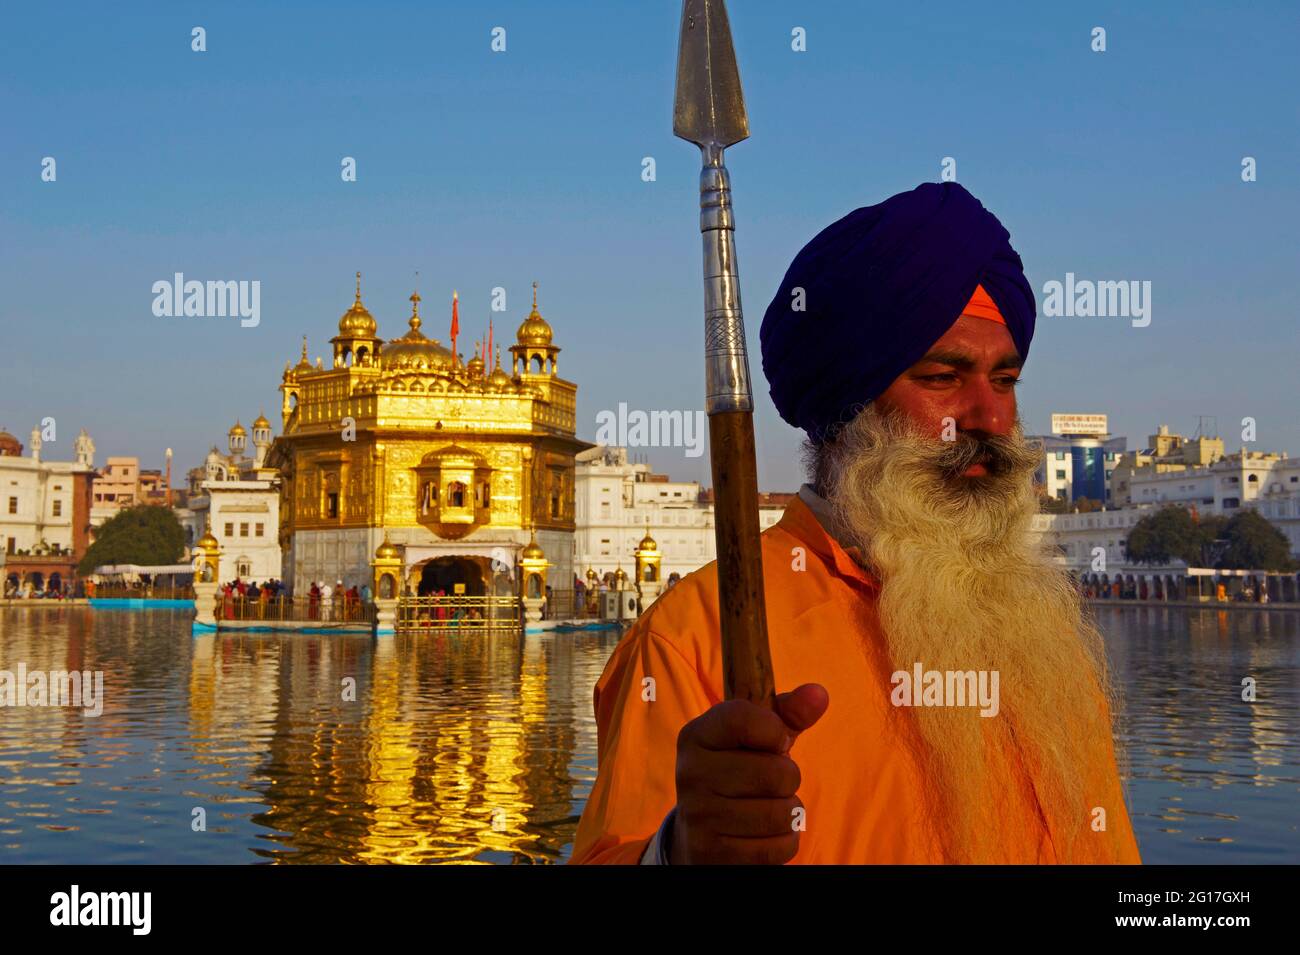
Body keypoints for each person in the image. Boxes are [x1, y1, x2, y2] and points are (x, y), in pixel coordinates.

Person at [571, 182, 1140, 865]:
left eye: (1006, 379)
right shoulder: (697, 638)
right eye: (942, 378)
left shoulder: (1046, 642)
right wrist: (682, 850)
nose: (989, 419)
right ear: (850, 414)